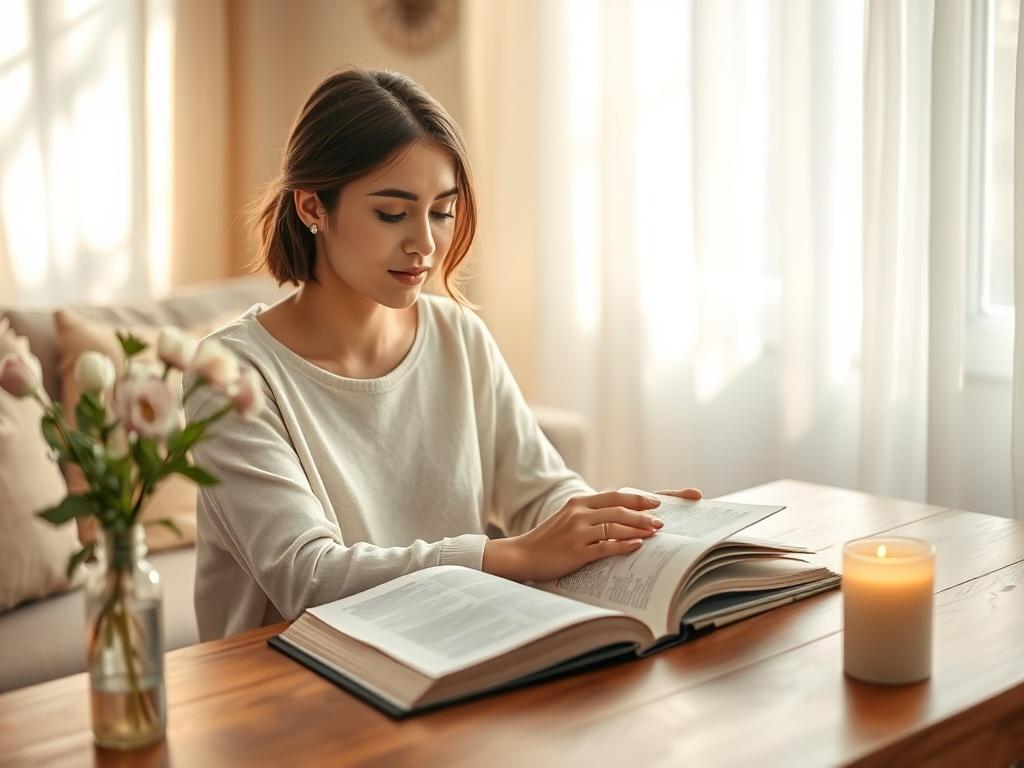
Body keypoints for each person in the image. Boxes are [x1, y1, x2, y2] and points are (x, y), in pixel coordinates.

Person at [184, 68, 701, 642]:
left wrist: (625, 522)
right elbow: (308, 579)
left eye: (441, 210)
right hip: (289, 678)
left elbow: (540, 491)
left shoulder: (458, 335)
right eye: (392, 213)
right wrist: (511, 556)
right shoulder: (230, 374)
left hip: (448, 646)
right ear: (312, 208)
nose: (425, 244)